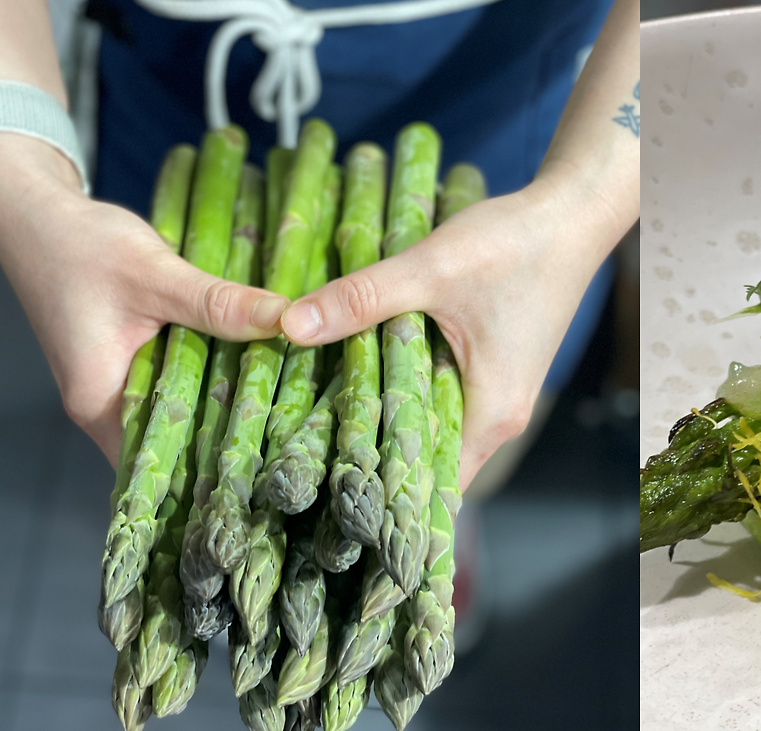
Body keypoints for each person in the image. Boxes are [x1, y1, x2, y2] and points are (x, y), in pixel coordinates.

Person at [0, 0, 639, 500]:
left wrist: (581, 206)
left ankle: (415, 535)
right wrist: (26, 187)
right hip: (178, 117)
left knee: (459, 439)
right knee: (171, 443)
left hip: (503, 135)